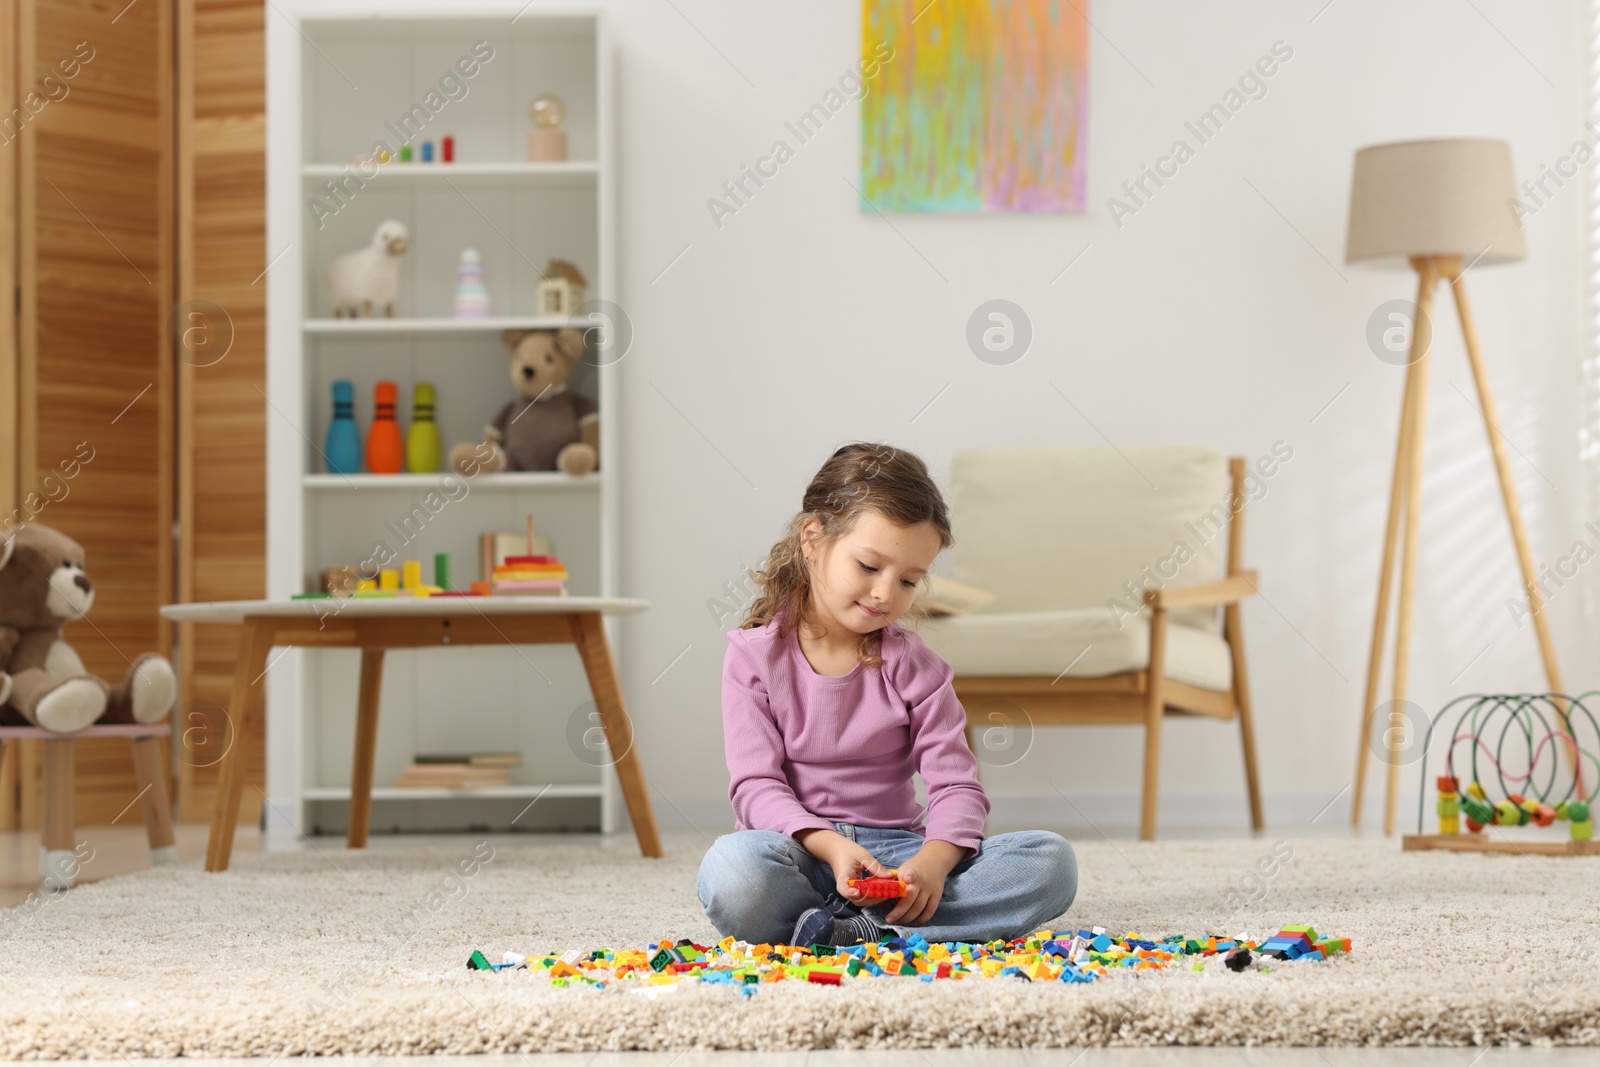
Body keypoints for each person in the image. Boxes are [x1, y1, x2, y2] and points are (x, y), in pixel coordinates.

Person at [696, 441, 1077, 948]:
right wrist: (829, 847)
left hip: (895, 857)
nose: (884, 594)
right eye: (869, 567)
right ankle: (863, 923)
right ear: (813, 538)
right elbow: (756, 787)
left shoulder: (916, 666)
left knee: (1051, 861)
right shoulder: (753, 656)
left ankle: (856, 928)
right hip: (800, 853)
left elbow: (957, 787)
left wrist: (933, 864)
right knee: (732, 870)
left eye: (908, 580)